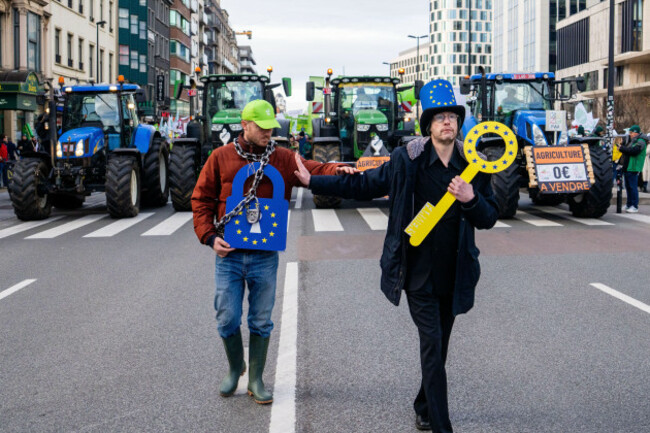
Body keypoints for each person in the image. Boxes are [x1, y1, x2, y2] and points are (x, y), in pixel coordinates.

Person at [294, 79, 499, 432]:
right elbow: (363, 184)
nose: (446, 122)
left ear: (459, 123)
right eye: (439, 117)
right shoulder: (408, 160)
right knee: (432, 346)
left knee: (441, 347)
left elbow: (490, 217)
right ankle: (440, 425)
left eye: (452, 116)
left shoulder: (473, 167)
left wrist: (471, 198)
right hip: (417, 273)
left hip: (455, 272)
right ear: (428, 125)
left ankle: (422, 404)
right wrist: (314, 182)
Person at [191, 99, 355, 405]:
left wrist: (337, 169)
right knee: (227, 318)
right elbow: (201, 199)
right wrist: (209, 237)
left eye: (272, 127)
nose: (269, 132)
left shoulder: (282, 158)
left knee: (261, 320)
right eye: (263, 127)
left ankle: (255, 379)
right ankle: (234, 367)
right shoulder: (220, 157)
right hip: (229, 254)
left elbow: (313, 168)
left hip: (265, 256)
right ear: (245, 125)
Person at [617, 125, 647, 213]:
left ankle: (634, 205)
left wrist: (622, 148)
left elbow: (634, 151)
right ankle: (629, 204)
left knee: (633, 187)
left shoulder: (641, 141)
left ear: (636, 133)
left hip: (633, 167)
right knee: (628, 187)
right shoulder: (633, 141)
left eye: (631, 133)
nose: (630, 134)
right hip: (628, 167)